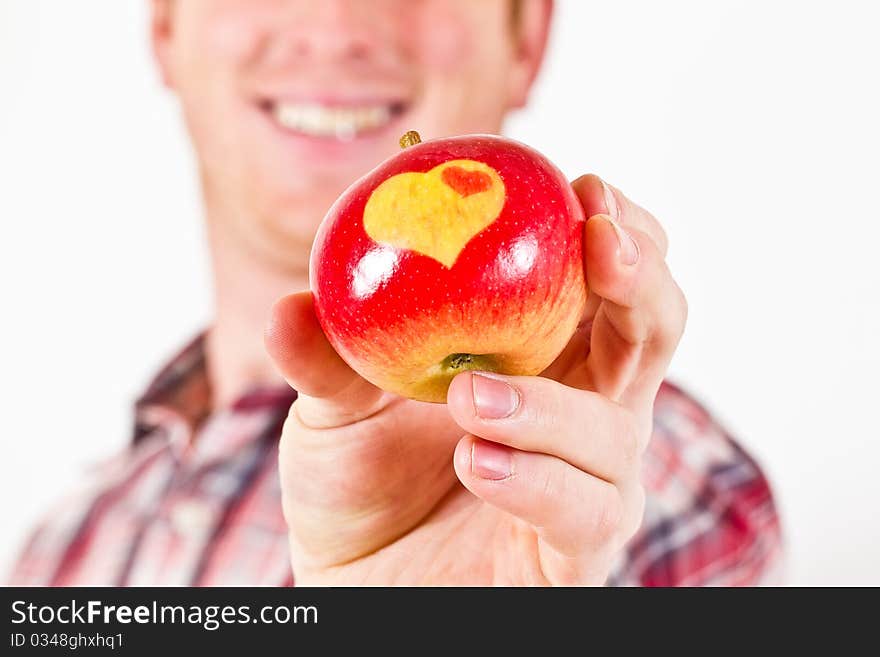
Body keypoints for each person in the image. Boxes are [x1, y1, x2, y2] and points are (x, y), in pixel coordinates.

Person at [10, 0, 782, 586]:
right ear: (166, 27)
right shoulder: (62, 548)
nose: (338, 25)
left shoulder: (655, 493)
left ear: (528, 37)